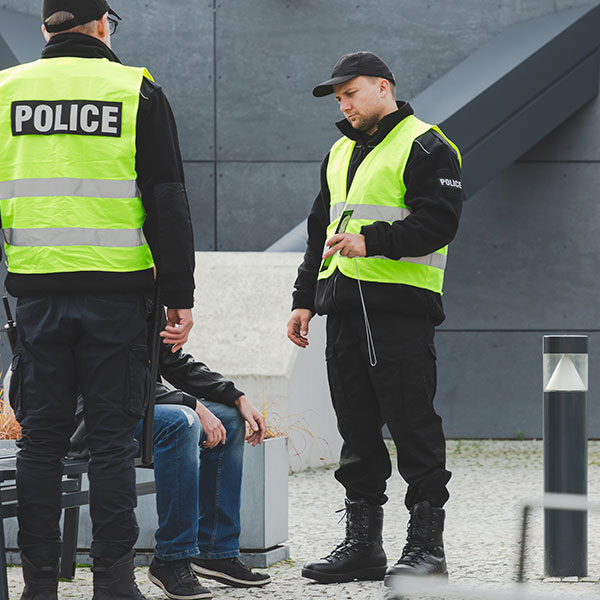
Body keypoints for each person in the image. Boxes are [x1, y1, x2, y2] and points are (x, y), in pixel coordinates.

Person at [0, 1, 195, 598]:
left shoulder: (6, 90)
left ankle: (38, 586)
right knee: (113, 443)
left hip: (36, 294)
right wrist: (179, 293)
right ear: (103, 24)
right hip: (118, 294)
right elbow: (166, 197)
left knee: (41, 441)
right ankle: (113, 582)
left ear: (44, 28)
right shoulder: (136, 88)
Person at [287, 52, 463, 587]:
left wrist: (373, 241)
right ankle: (364, 547)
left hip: (399, 311)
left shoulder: (427, 145)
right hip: (342, 309)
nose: (344, 104)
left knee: (414, 428)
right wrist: (303, 298)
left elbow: (439, 223)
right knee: (357, 433)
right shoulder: (340, 151)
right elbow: (320, 231)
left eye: (351, 93)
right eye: (339, 97)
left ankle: (427, 550)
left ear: (383, 87)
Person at [140, 316, 272, 599]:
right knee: (182, 422)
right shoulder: (108, 290)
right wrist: (192, 405)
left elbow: (173, 362)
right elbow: (121, 377)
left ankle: (215, 550)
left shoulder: (147, 296)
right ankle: (172, 558)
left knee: (230, 419)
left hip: (139, 400)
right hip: (98, 411)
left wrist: (236, 396)